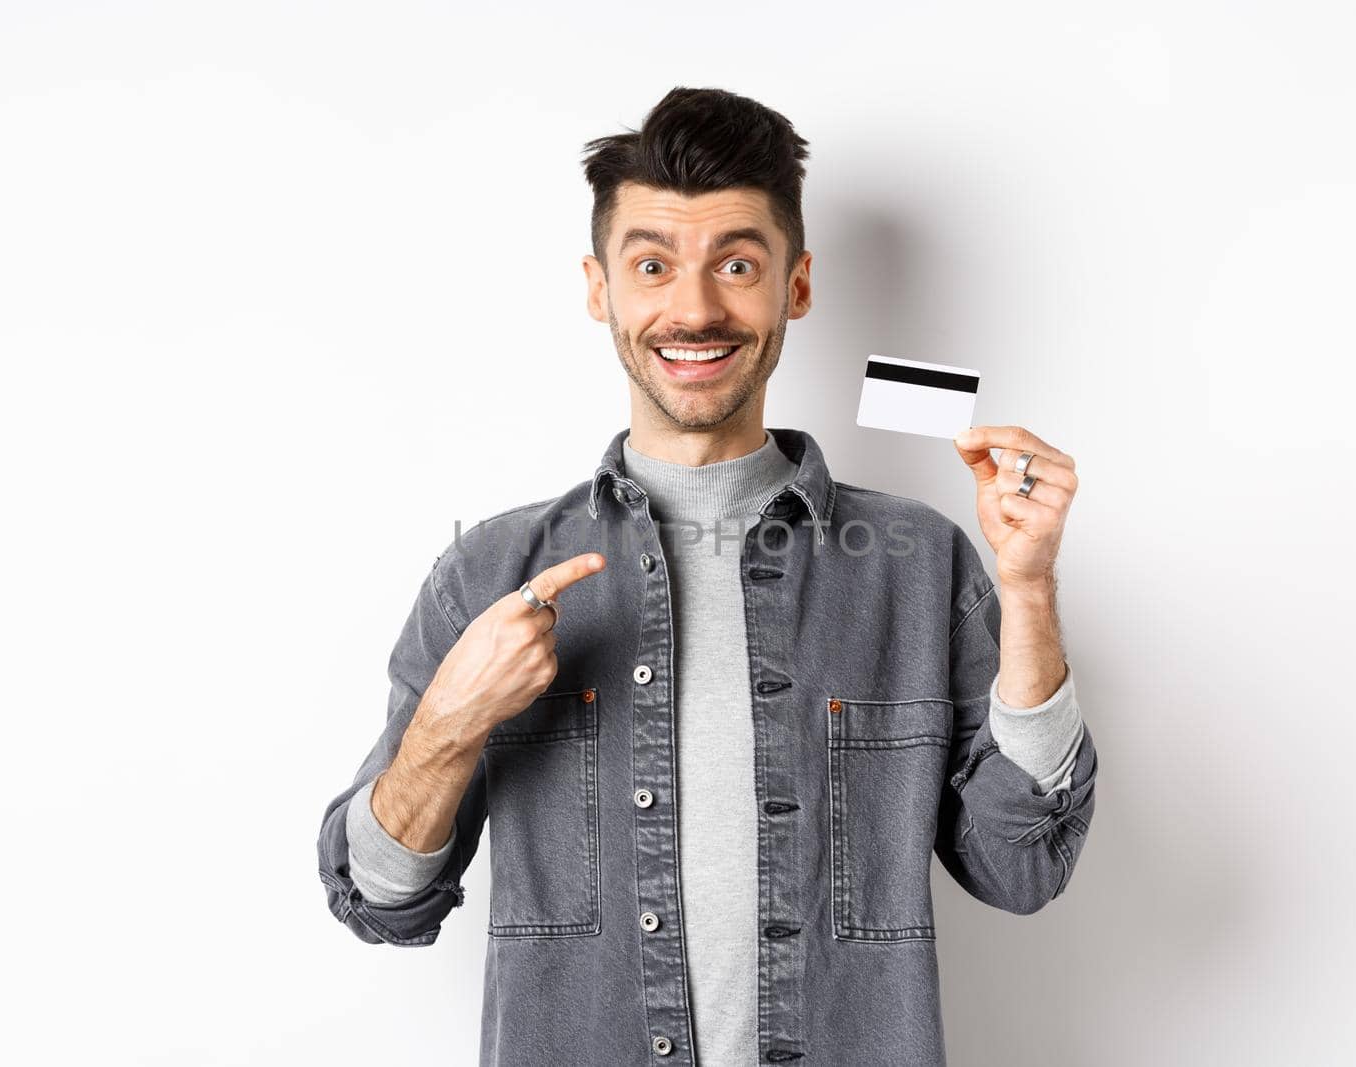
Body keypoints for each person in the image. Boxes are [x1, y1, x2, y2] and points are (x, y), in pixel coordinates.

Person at [316, 85, 1097, 1066]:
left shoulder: (918, 562)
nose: (693, 307)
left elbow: (1021, 865)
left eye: (736, 263)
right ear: (600, 288)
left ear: (795, 286)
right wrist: (448, 723)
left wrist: (1028, 589)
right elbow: (381, 900)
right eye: (652, 264)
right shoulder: (492, 570)